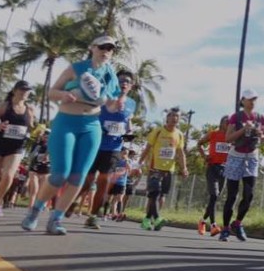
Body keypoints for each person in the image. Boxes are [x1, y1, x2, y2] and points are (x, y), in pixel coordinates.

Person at [21, 35, 121, 236]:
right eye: (103, 47)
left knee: (78, 176)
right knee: (60, 174)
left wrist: (116, 104)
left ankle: (55, 219)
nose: (106, 51)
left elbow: (110, 103)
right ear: (92, 47)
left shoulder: (111, 75)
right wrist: (63, 95)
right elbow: (52, 92)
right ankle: (35, 210)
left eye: (111, 49)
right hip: (66, 122)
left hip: (91, 126)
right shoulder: (77, 68)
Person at [78, 69, 137, 230]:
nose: (124, 83)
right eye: (121, 80)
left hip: (113, 148)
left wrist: (129, 133)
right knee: (87, 181)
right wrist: (97, 128)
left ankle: (93, 216)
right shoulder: (103, 98)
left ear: (131, 86)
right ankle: (69, 204)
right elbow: (90, 115)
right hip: (94, 144)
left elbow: (127, 124)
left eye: (127, 81)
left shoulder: (131, 104)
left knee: (103, 183)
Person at [0, 80, 36, 220]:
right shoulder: (4, 106)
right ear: (15, 91)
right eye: (22, 90)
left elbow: (32, 128)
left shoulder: (30, 109)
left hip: (16, 146)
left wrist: (36, 131)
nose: (24, 93)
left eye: (27, 91)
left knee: (9, 175)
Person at [219, 90, 264, 242]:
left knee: (249, 194)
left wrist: (261, 134)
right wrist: (243, 129)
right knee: (232, 195)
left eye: (254, 99)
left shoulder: (260, 118)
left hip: (252, 157)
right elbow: (228, 138)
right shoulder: (236, 117)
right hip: (236, 156)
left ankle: (238, 223)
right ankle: (226, 228)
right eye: (249, 99)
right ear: (243, 101)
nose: (252, 102)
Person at [140, 107, 189, 230]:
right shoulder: (157, 131)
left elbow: (180, 153)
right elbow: (147, 148)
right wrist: (139, 163)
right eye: (171, 115)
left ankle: (148, 219)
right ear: (167, 118)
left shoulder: (179, 134)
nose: (174, 118)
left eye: (177, 116)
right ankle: (156, 218)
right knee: (154, 193)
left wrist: (184, 168)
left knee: (161, 196)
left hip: (169, 170)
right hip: (155, 167)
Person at [196, 115, 230, 236]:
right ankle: (214, 225)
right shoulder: (213, 134)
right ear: (221, 123)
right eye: (227, 122)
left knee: (215, 198)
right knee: (214, 195)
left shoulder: (231, 137)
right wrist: (204, 156)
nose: (229, 124)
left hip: (225, 169)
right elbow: (199, 144)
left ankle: (202, 221)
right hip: (212, 167)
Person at [25, 129, 51, 210]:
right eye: (44, 135)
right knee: (34, 189)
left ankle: (38, 208)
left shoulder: (53, 145)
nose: (46, 137)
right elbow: (31, 156)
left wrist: (48, 156)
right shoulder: (37, 144)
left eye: (48, 135)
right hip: (34, 169)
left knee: (41, 191)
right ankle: (30, 209)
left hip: (46, 170)